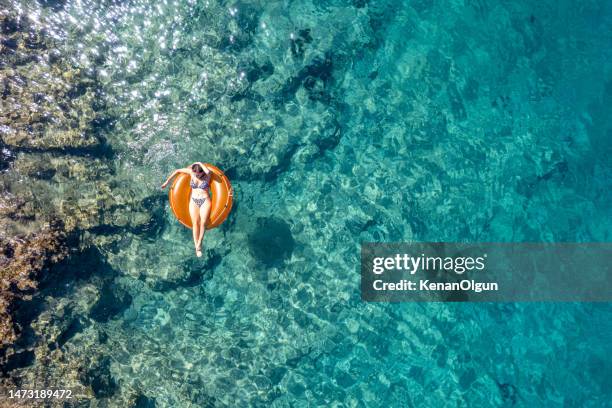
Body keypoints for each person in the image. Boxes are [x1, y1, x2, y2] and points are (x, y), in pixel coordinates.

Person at [161, 162, 212, 257]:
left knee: (203, 222)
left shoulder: (207, 176)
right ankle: (197, 248)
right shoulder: (192, 173)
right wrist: (167, 182)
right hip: (193, 201)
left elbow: (208, 171)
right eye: (195, 171)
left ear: (202, 172)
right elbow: (177, 171)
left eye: (199, 172)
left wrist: (198, 163)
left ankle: (200, 242)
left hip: (204, 201)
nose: (197, 174)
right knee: (195, 223)